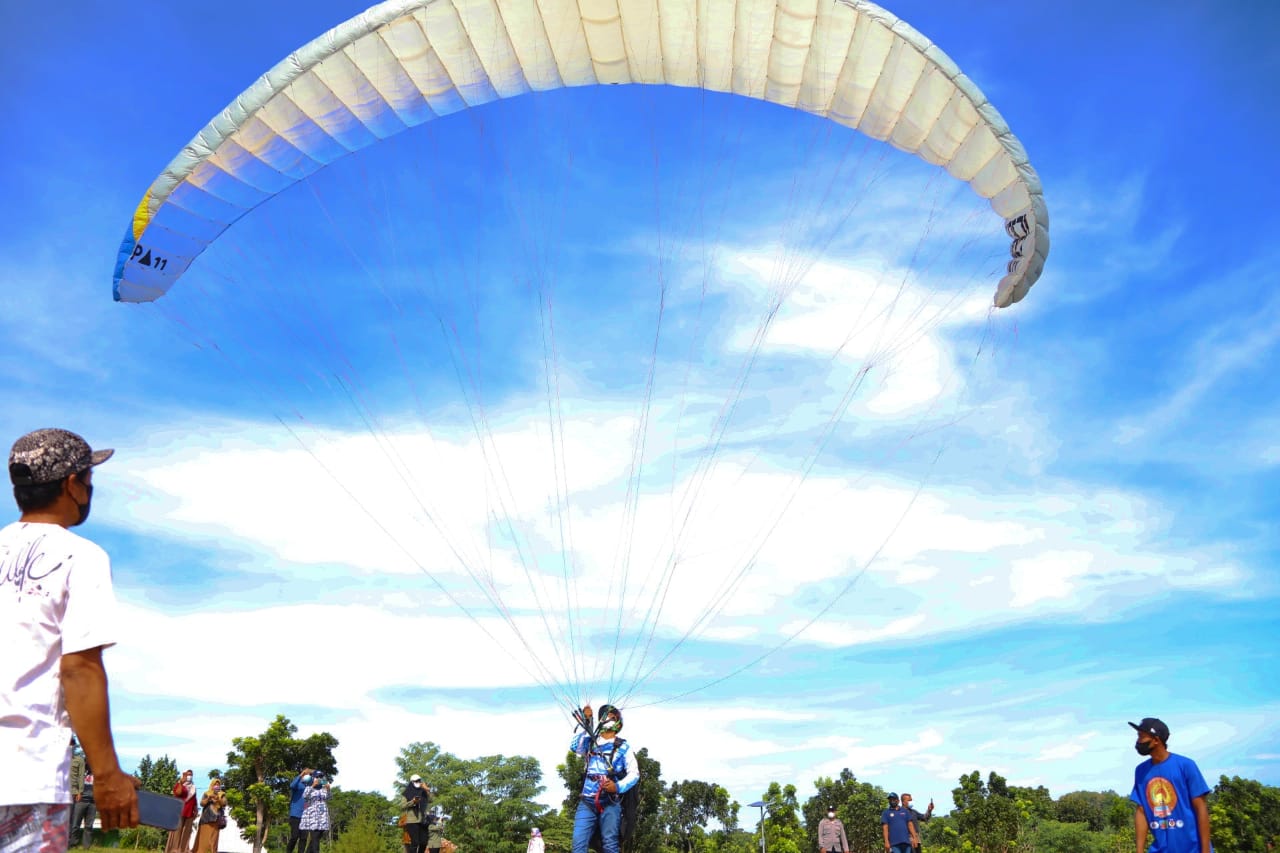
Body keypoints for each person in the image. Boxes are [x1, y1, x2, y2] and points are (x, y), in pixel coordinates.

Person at [0, 428, 139, 850]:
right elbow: (78, 667)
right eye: (88, 478)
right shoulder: (81, 557)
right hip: (27, 777)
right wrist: (108, 774)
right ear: (71, 484)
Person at [1128, 718, 1213, 853]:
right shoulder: (1141, 771)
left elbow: (1201, 807)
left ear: (1156, 740)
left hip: (1192, 849)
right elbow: (1141, 811)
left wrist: (1206, 850)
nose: (1138, 742)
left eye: (1142, 737)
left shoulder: (1185, 765)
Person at [570, 704, 640, 853]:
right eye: (609, 716)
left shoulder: (623, 747)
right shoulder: (590, 742)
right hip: (587, 801)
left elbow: (634, 774)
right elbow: (575, 747)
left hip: (610, 801)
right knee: (578, 844)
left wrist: (617, 786)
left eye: (613, 717)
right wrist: (587, 723)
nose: (612, 719)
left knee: (610, 844)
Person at [167, 769, 198, 853]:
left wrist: (196, 810)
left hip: (189, 813)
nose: (189, 776)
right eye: (188, 774)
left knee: (186, 833)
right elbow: (178, 793)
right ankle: (173, 850)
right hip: (179, 811)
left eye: (191, 774)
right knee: (177, 831)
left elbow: (194, 800)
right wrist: (181, 782)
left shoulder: (193, 787)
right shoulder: (179, 784)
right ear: (184, 775)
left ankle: (183, 850)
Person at [300, 773, 332, 853]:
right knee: (315, 838)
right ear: (314, 778)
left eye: (321, 778)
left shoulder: (323, 789)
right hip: (313, 817)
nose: (319, 779)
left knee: (317, 837)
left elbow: (330, 798)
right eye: (318, 777)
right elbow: (304, 796)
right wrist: (313, 785)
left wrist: (328, 789)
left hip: (322, 817)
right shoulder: (309, 788)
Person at [193, 779, 227, 853]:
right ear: (212, 785)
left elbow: (224, 804)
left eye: (218, 785)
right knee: (203, 838)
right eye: (215, 784)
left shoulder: (222, 794)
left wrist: (219, 798)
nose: (217, 786)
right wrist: (209, 798)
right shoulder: (207, 793)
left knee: (213, 839)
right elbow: (202, 804)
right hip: (205, 819)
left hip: (216, 819)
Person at [287, 767, 316, 853]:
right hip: (295, 814)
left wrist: (312, 771)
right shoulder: (298, 783)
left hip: (306, 816)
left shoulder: (310, 785)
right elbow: (291, 785)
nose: (308, 776)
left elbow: (321, 780)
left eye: (309, 775)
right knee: (294, 837)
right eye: (306, 774)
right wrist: (301, 774)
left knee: (303, 838)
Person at [400, 774, 431, 853]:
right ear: (412, 782)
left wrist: (427, 789)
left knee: (424, 842)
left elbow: (431, 800)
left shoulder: (423, 791)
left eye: (419, 780)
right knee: (415, 842)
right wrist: (413, 802)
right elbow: (402, 806)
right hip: (412, 821)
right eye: (416, 781)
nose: (418, 782)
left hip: (423, 820)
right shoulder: (406, 793)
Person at [69, 763, 96, 848]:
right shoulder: (81, 774)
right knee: (75, 824)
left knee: (89, 826)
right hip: (81, 801)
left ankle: (86, 847)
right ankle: (73, 844)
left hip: (93, 803)